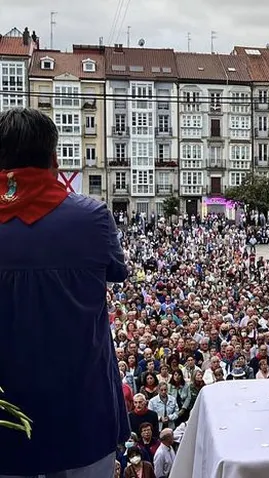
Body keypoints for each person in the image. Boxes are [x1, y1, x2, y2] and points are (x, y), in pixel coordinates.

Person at [0, 108, 130, 476]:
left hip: (8, 423)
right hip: (83, 415)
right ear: (54, 160)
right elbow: (116, 271)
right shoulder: (92, 218)